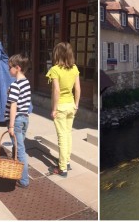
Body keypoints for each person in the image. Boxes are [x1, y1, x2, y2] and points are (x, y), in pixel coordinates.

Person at [46, 42, 80, 177]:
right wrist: (76, 104)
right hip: (71, 105)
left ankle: (62, 168)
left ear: (56, 54)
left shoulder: (55, 70)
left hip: (60, 106)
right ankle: (67, 161)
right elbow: (77, 88)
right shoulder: (74, 68)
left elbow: (56, 90)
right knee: (68, 134)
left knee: (62, 137)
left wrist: (54, 109)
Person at [7, 54, 32, 188]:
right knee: (18, 146)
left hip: (16, 120)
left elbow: (13, 106)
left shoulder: (15, 85)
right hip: (24, 118)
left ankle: (23, 180)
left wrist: (10, 125)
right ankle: (16, 170)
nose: (8, 69)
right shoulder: (26, 82)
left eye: (10, 67)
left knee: (20, 149)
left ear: (17, 68)